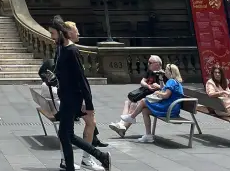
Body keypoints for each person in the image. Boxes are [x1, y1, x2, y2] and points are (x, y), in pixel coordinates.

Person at [52, 17, 111, 171]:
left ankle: (99, 156)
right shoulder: (60, 48)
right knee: (66, 135)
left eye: (53, 33)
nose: (51, 36)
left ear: (61, 33)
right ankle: (74, 164)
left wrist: (89, 104)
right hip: (65, 96)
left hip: (73, 97)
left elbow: (81, 79)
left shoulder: (72, 51)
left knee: (66, 135)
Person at [64, 21, 108, 152]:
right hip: (75, 97)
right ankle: (88, 156)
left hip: (69, 96)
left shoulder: (64, 50)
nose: (78, 33)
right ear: (70, 33)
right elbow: (80, 79)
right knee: (89, 123)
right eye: (76, 30)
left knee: (87, 124)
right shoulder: (72, 50)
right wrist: (88, 102)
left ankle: (89, 148)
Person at [116, 63, 184, 143]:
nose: (165, 72)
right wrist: (161, 80)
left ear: (170, 72)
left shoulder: (171, 81)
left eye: (166, 70)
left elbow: (165, 95)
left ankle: (132, 117)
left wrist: (158, 93)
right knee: (145, 110)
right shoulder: (175, 82)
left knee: (143, 101)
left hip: (168, 109)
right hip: (172, 109)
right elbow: (164, 90)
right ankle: (148, 135)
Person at [109, 55, 165, 136]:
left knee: (134, 104)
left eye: (150, 63)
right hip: (146, 95)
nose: (148, 64)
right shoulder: (150, 71)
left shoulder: (162, 74)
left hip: (155, 99)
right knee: (127, 102)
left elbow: (166, 89)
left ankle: (122, 126)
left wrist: (158, 86)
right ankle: (122, 126)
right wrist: (147, 85)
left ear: (157, 64)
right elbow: (142, 82)